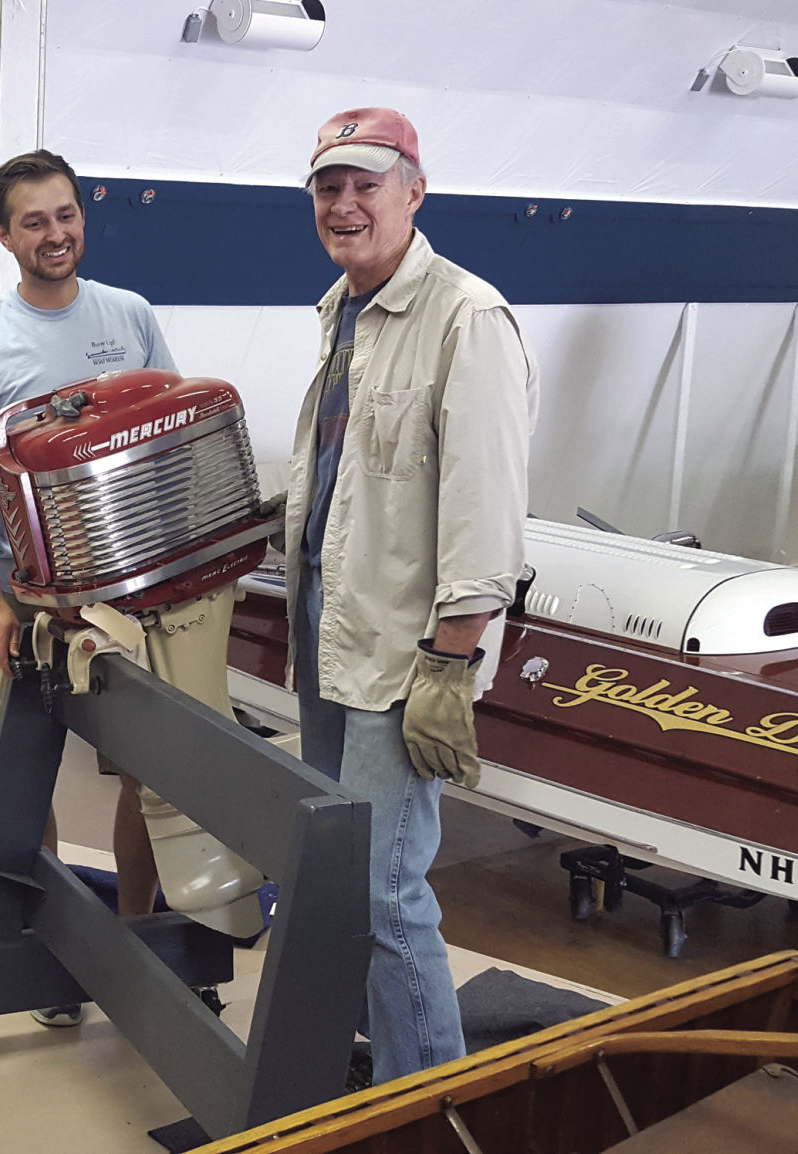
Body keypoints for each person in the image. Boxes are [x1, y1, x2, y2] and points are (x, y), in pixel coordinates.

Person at [280, 108, 538, 1084]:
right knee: (340, 883)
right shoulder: (339, 310)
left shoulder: (466, 319)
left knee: (387, 897)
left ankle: (433, 1105)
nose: (344, 204)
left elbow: (485, 510)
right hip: (329, 646)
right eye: (327, 186)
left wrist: (448, 659)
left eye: (366, 184)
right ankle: (368, 1068)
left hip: (400, 661)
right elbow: (346, 481)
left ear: (415, 190)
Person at [0, 149, 176, 1026]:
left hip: (134, 587)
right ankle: (46, 945)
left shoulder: (130, 315)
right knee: (27, 772)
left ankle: (137, 941)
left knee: (145, 770)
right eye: (33, 220)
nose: (55, 233)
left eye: (65, 214)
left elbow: (166, 436)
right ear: (3, 235)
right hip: (29, 593)